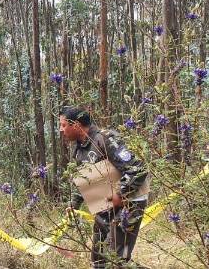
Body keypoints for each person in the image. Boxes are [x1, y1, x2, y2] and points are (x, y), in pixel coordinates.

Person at [59, 107, 149, 268]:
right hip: (104, 204)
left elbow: (137, 169)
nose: (61, 129)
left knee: (116, 259)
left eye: (64, 125)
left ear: (77, 125)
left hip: (130, 201)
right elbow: (84, 180)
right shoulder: (79, 150)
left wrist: (120, 194)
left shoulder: (105, 139)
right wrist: (74, 205)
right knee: (99, 259)